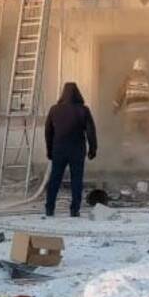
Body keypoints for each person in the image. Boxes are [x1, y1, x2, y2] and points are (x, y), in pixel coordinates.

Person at [44, 82, 98, 217]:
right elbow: (91, 131)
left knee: (55, 179)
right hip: (77, 150)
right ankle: (75, 210)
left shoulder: (54, 110)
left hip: (59, 149)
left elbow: (48, 132)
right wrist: (93, 149)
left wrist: (49, 150)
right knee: (76, 180)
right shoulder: (83, 110)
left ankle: (49, 208)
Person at [114, 57, 149, 146]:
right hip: (146, 112)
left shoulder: (128, 79)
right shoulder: (148, 80)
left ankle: (128, 147)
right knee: (148, 133)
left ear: (134, 69)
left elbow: (121, 93)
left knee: (128, 133)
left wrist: (116, 107)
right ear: (145, 69)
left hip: (132, 112)